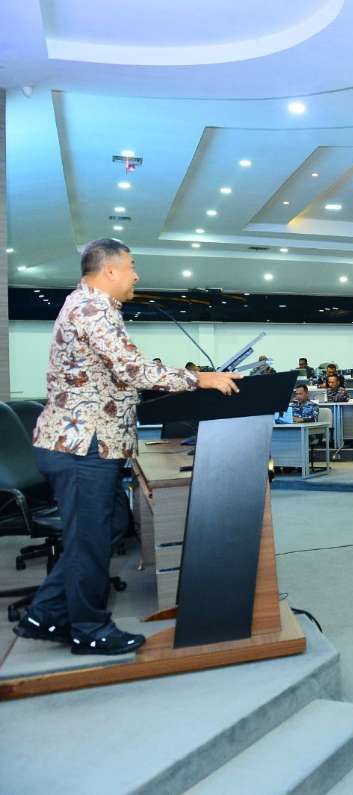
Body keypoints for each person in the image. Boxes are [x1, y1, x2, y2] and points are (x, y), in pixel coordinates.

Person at [15, 238, 240, 655]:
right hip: (83, 445)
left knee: (109, 527)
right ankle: (89, 629)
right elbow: (131, 369)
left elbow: (117, 376)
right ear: (109, 270)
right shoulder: (93, 309)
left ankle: (46, 612)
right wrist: (200, 379)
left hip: (85, 443)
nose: (136, 275)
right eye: (132, 266)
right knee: (91, 540)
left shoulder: (89, 306)